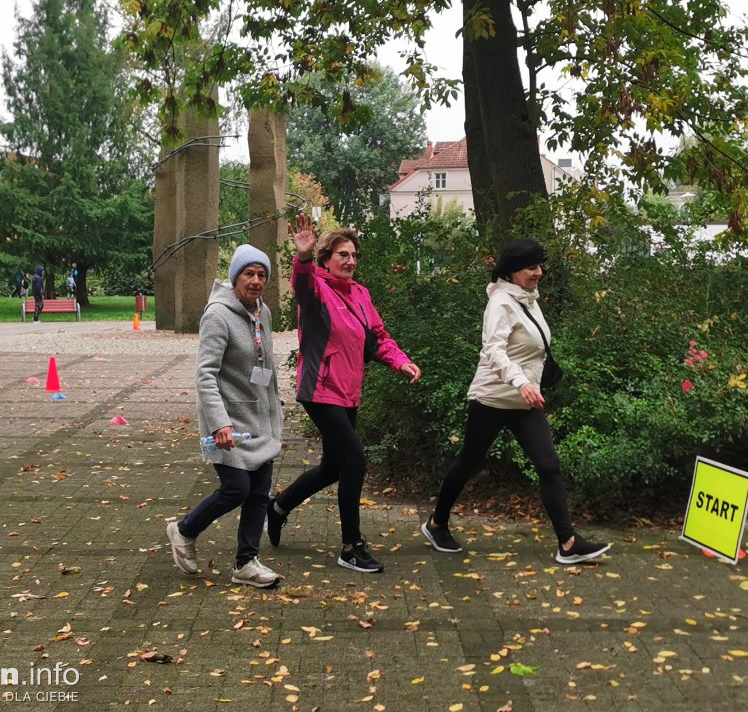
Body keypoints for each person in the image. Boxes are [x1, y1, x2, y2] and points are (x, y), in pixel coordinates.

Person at [421, 239, 611, 565]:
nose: (539, 272)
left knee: (549, 464)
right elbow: (493, 351)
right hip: (493, 398)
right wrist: (521, 382)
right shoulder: (500, 304)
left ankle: (567, 543)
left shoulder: (528, 299)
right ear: (512, 271)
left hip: (524, 402)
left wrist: (528, 386)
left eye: (540, 266)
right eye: (531, 267)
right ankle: (437, 523)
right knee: (469, 462)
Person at [266, 214, 422, 573]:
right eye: (342, 255)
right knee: (355, 462)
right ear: (326, 260)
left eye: (353, 255)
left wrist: (402, 362)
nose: (350, 261)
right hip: (319, 390)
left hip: (348, 391)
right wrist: (302, 258)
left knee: (333, 467)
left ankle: (278, 507)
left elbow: (378, 339)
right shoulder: (317, 289)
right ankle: (351, 547)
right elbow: (302, 288)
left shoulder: (362, 295)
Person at [166, 245, 284, 588]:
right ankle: (184, 530)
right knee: (237, 488)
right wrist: (220, 422)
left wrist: (276, 408)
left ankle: (246, 563)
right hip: (228, 422)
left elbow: (266, 365)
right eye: (249, 273)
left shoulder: (263, 313)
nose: (256, 281)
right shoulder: (218, 315)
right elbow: (205, 375)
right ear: (235, 277)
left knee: (259, 492)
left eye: (262, 275)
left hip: (260, 418)